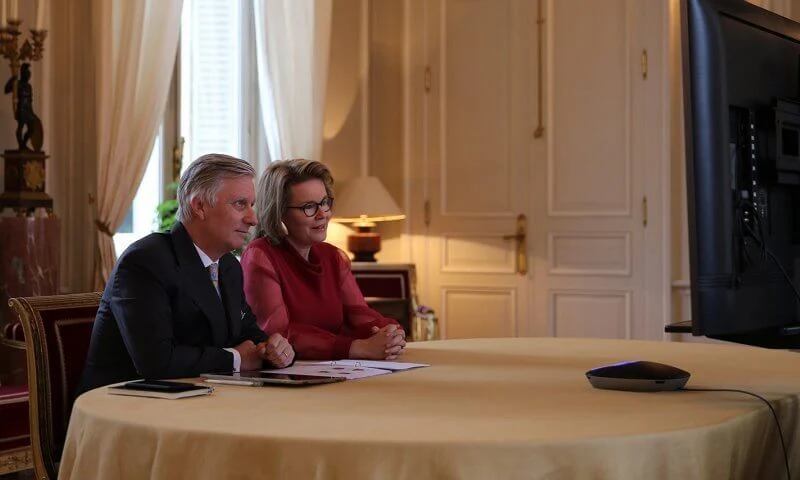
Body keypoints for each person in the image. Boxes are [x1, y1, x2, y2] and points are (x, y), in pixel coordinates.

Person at [77, 154, 295, 395]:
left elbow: (250, 337)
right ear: (199, 206)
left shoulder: (229, 267)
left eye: (252, 205)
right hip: (129, 407)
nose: (253, 219)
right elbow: (156, 361)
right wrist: (235, 359)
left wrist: (274, 349)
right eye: (240, 204)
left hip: (200, 400)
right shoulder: (145, 261)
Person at [241, 159, 406, 361]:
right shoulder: (260, 255)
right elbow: (279, 333)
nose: (323, 214)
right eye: (309, 207)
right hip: (291, 375)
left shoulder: (333, 256)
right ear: (280, 213)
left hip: (337, 368)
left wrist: (390, 332)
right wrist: (357, 348)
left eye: (325, 202)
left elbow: (359, 314)